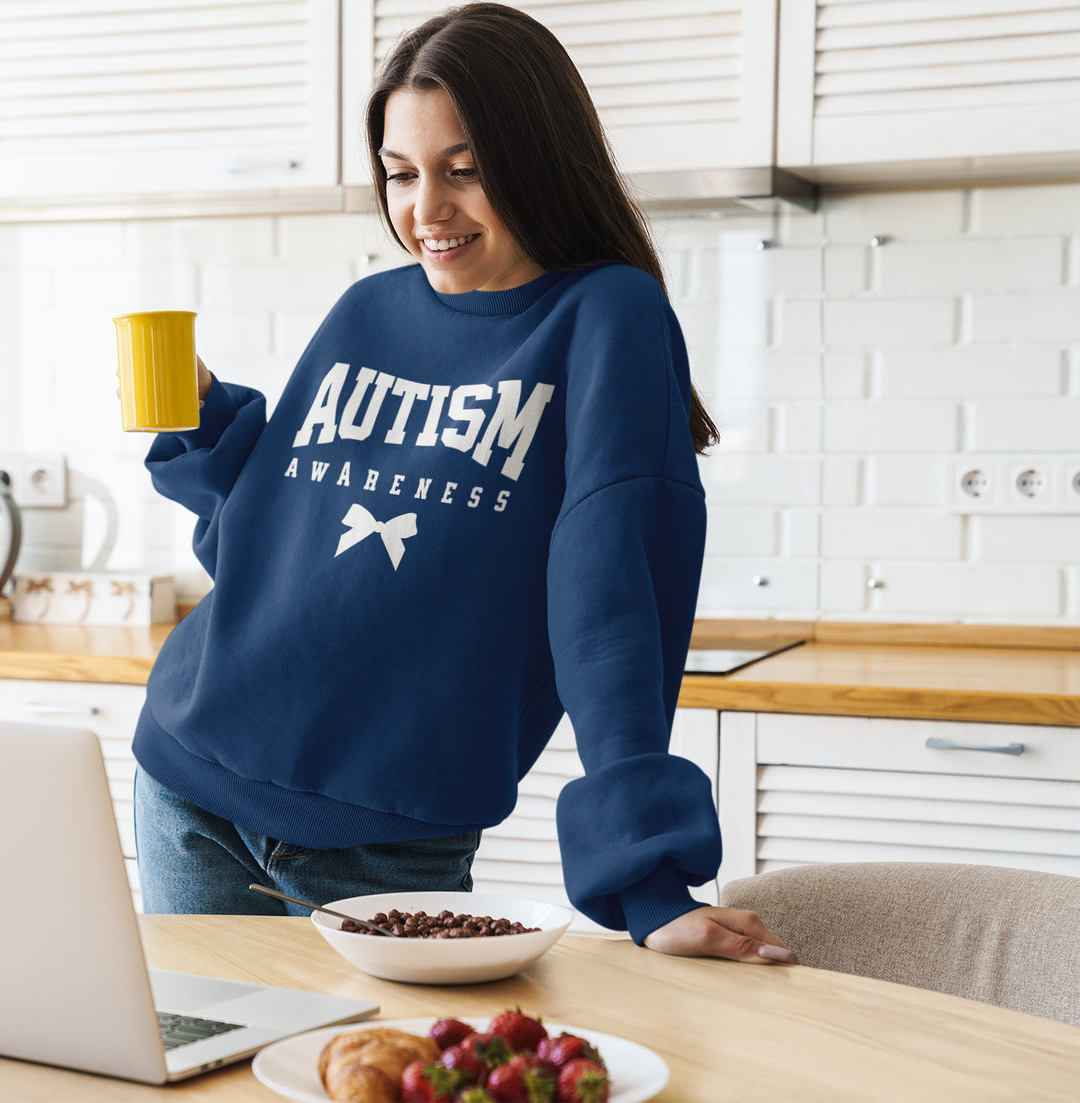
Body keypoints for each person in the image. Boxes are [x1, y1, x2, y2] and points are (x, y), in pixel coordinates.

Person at [132, 2, 794, 964]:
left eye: (465, 170)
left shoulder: (604, 314)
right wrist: (206, 423)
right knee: (207, 1060)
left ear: (536, 158)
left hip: (383, 829)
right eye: (401, 174)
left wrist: (649, 883)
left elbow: (609, 590)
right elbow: (267, 547)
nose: (425, 210)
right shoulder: (365, 309)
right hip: (188, 771)